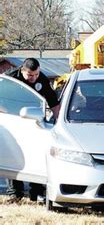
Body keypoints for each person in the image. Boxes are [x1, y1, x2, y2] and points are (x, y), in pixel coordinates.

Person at [5, 57, 60, 202]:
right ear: (22, 70)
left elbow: (53, 102)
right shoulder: (11, 79)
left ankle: (37, 192)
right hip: (15, 121)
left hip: (35, 122)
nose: (33, 78)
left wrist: (59, 122)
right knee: (15, 157)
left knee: (36, 155)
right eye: (30, 75)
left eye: (36, 74)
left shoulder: (42, 79)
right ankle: (15, 194)